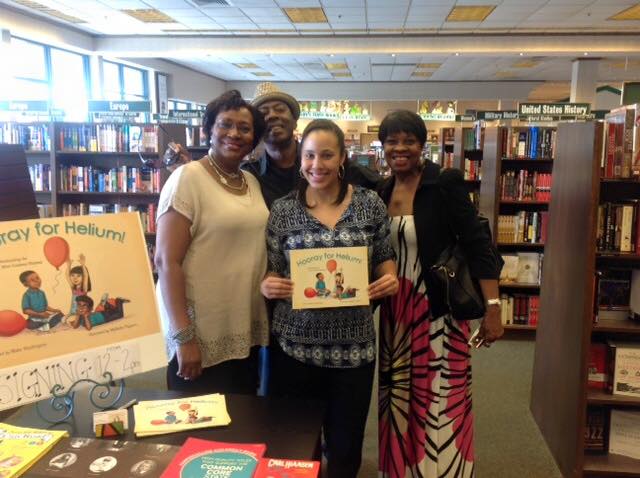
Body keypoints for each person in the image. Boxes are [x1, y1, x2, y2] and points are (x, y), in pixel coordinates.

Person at [261, 119, 399, 478]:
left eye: (326, 155)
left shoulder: (369, 204)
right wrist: (268, 286)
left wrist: (389, 279)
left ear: (342, 158)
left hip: (353, 350)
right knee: (296, 444)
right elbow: (274, 270)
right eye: (309, 155)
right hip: (294, 347)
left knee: (346, 443)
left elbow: (385, 259)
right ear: (300, 158)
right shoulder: (283, 210)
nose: (316, 164)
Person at [375, 110, 504, 478]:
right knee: (399, 393)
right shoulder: (381, 190)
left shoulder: (444, 183)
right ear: (383, 146)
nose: (400, 148)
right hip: (396, 311)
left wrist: (492, 308)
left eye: (409, 141)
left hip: (439, 307)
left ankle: (443, 471)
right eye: (392, 141)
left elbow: (479, 245)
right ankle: (400, 469)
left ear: (422, 145)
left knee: (440, 392)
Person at [154, 90, 269, 394]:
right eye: (225, 124)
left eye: (244, 129)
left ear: (254, 138)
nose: (235, 134)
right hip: (199, 335)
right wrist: (184, 337)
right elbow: (166, 262)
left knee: (241, 428)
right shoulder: (187, 179)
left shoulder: (250, 181)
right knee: (200, 432)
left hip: (241, 328)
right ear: (209, 129)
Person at [246, 82, 382, 208]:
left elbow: (381, 186)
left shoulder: (334, 167)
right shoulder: (249, 176)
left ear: (294, 121)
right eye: (263, 113)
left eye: (280, 109)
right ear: (256, 127)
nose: (272, 116)